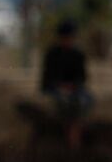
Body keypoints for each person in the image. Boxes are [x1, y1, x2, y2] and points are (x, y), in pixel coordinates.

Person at [39, 20, 91, 149]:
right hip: (55, 88)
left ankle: (74, 137)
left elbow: (82, 77)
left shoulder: (77, 54)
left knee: (82, 102)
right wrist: (59, 86)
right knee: (63, 103)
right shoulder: (52, 54)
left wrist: (72, 86)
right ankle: (67, 134)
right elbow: (47, 77)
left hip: (74, 89)